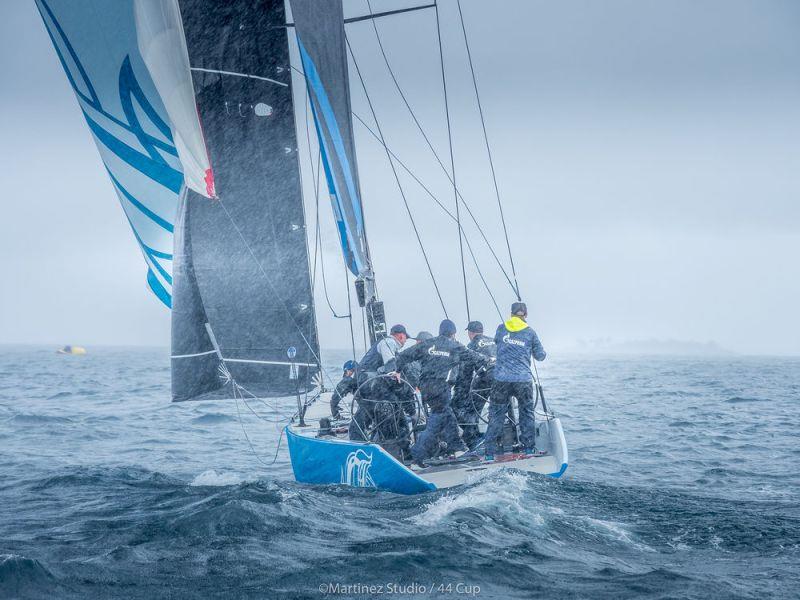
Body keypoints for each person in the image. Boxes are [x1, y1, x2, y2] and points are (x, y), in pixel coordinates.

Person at [396, 319, 490, 467]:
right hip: (441, 388)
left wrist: (397, 371)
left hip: (426, 389)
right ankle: (417, 455)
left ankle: (458, 448)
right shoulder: (455, 346)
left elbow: (402, 356)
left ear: (440, 331)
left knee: (447, 415)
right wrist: (489, 361)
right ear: (453, 333)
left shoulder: (427, 344)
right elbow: (475, 357)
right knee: (436, 421)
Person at [484, 302, 546, 460]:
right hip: (522, 380)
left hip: (501, 380)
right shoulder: (530, 332)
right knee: (526, 413)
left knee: (496, 415)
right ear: (525, 315)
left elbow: (498, 342)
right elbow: (540, 356)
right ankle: (529, 450)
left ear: (511, 314)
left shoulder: (501, 328)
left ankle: (490, 454)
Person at [349, 324, 412, 441]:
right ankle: (397, 439)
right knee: (394, 405)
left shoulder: (382, 343)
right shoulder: (389, 342)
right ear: (400, 335)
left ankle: (358, 438)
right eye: (405, 337)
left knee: (368, 409)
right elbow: (390, 366)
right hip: (369, 381)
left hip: (362, 382)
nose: (405, 341)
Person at [452, 321, 496, 450]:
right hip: (504, 379)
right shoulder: (495, 341)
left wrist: (461, 394)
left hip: (484, 380)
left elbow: (465, 375)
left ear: (470, 333)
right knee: (500, 409)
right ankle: (501, 435)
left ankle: (472, 438)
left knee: (470, 409)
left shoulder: (470, 346)